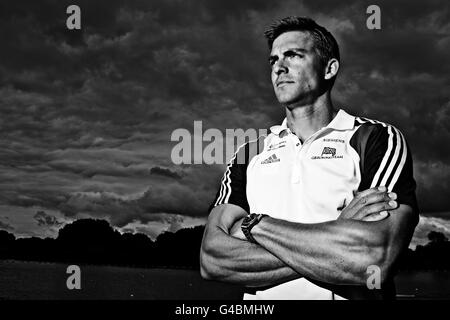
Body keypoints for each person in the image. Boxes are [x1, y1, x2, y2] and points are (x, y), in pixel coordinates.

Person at [200, 16, 419, 300]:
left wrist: (254, 226)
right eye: (273, 60)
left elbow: (373, 258)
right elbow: (212, 259)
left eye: (293, 55)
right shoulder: (249, 153)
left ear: (329, 68)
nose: (279, 67)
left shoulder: (377, 139)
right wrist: (338, 236)